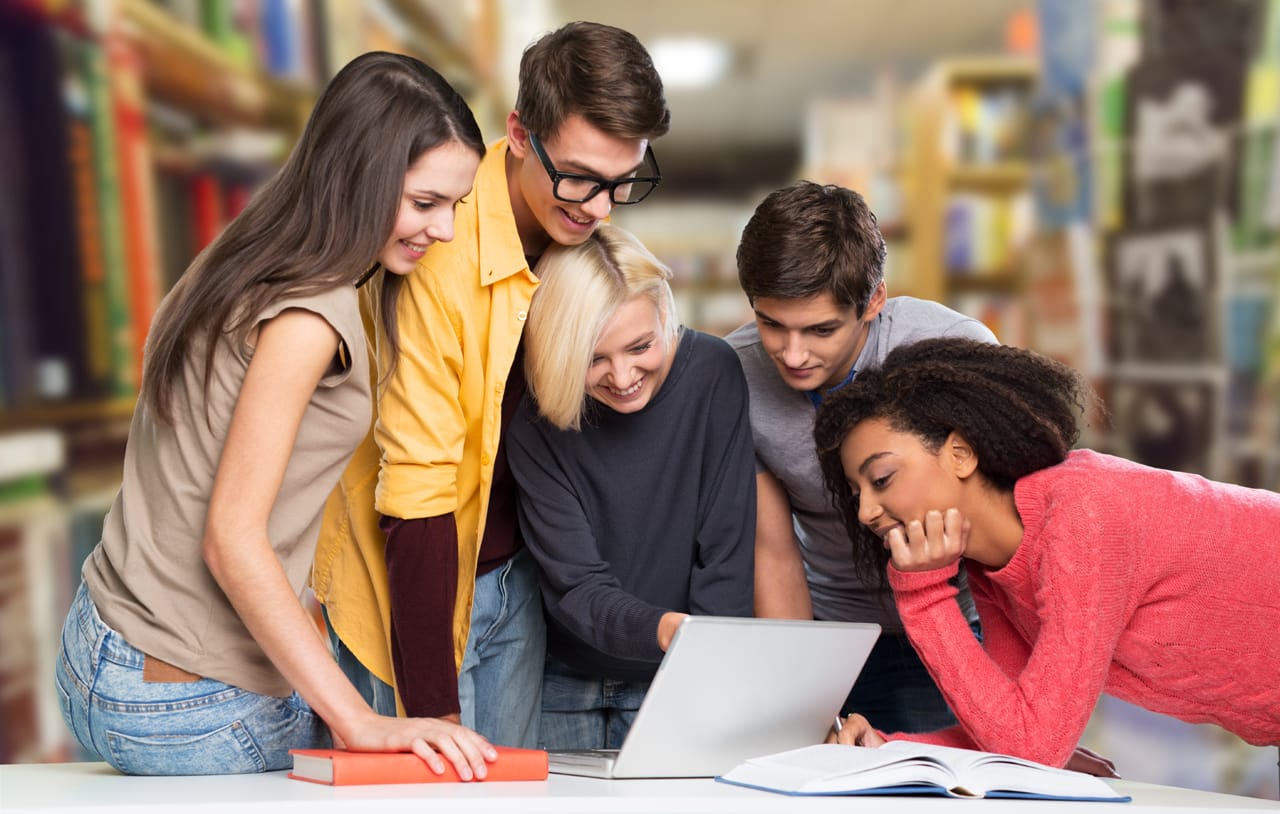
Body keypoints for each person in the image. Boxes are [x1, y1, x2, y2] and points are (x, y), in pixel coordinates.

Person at [54, 53, 497, 776]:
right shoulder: (312, 313)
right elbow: (230, 539)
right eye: (424, 203)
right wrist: (358, 722)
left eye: (456, 205)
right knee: (416, 762)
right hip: (183, 698)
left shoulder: (244, 253)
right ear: (359, 176)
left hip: (97, 649)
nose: (444, 229)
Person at [311, 22, 670, 749]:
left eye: (621, 182)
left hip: (516, 580)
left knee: (511, 792)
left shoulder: (579, 235)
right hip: (413, 586)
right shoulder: (438, 249)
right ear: (520, 133)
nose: (599, 208)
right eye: (579, 177)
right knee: (432, 786)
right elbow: (417, 491)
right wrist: (433, 711)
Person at [817, 337, 1280, 770]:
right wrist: (886, 748)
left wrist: (922, 596)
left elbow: (1032, 745)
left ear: (960, 454)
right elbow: (1007, 730)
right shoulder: (992, 568)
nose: (866, 513)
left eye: (881, 480)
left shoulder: (1082, 513)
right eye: (857, 494)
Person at [724, 181, 995, 733]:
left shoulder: (955, 351)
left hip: (957, 621)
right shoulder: (734, 375)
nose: (792, 354)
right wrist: (803, 694)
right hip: (831, 634)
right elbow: (773, 550)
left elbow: (1019, 517)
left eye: (821, 329)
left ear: (873, 301)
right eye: (772, 324)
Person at [506, 224, 755, 749]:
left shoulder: (713, 374)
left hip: (680, 675)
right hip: (562, 679)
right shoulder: (534, 418)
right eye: (593, 359)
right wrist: (667, 629)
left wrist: (708, 664)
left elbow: (726, 556)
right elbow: (575, 584)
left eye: (640, 346)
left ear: (664, 311)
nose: (622, 378)